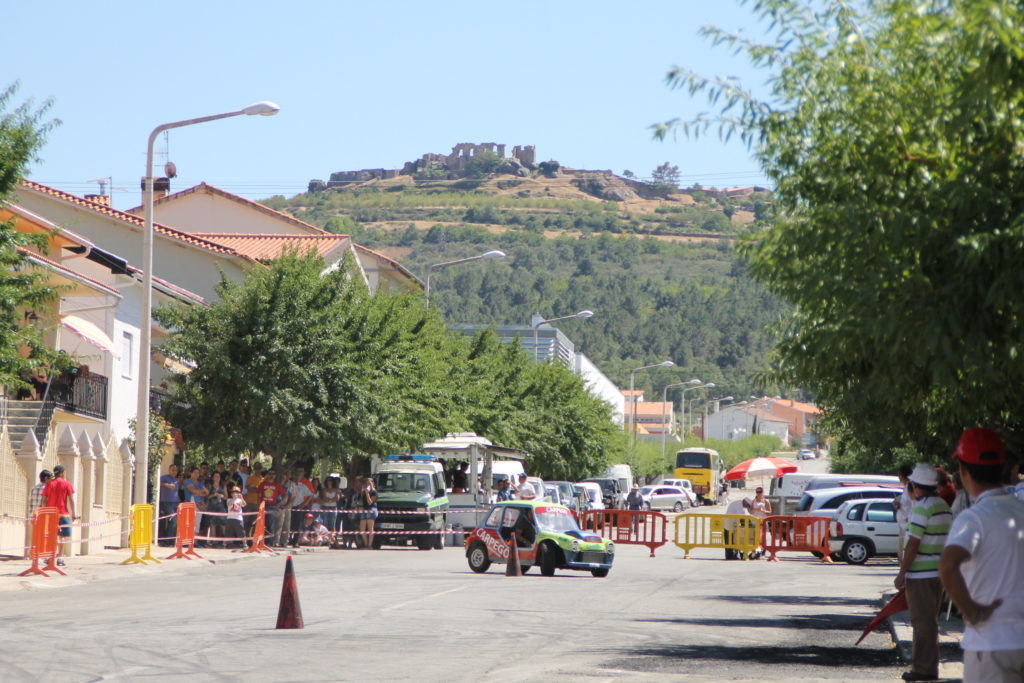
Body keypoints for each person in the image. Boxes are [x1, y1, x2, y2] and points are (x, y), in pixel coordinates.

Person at [939, 428, 1024, 683]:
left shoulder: (974, 517)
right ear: (1003, 466)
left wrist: (972, 612)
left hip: (992, 642)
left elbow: (948, 565)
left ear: (963, 471)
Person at [895, 463, 951, 682]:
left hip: (921, 575)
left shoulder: (921, 507)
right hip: (938, 573)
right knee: (930, 621)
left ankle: (923, 669)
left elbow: (913, 544)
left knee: (922, 623)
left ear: (915, 486)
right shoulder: (943, 505)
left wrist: (902, 573)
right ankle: (927, 666)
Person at [41, 464, 76, 566]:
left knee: (52, 536)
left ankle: (50, 557)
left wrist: (45, 511)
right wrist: (73, 513)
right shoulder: (67, 484)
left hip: (51, 514)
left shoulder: (49, 484)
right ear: (62, 473)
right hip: (63, 513)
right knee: (62, 537)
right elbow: (71, 500)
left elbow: (44, 500)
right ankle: (60, 557)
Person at [892, 464, 914, 564]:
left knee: (904, 555)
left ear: (902, 475)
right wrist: (898, 505)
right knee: (901, 554)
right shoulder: (906, 488)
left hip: (908, 526)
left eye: (899, 474)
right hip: (903, 525)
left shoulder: (911, 487)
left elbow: (913, 504)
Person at [182, 468, 208, 543]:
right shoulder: (187, 481)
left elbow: (206, 493)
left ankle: (194, 542)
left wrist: (197, 492)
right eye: (194, 472)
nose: (196, 474)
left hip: (199, 505)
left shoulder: (201, 482)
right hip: (189, 504)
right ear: (190, 473)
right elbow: (193, 490)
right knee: (188, 522)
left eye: (198, 473)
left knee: (197, 522)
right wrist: (201, 492)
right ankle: (186, 541)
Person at [158, 464, 180, 546]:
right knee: (173, 520)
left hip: (175, 502)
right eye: (172, 470)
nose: (174, 472)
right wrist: (166, 485)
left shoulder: (176, 480)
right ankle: (167, 540)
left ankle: (171, 540)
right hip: (166, 502)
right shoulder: (164, 477)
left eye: (176, 470)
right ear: (169, 470)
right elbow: (158, 482)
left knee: (176, 521)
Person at [206, 471, 229, 548]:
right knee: (213, 525)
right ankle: (214, 542)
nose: (217, 478)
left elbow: (226, 497)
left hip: (221, 507)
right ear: (213, 478)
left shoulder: (223, 486)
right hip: (212, 507)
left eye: (218, 476)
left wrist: (222, 496)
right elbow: (207, 497)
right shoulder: (210, 486)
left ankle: (226, 542)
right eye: (215, 476)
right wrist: (213, 495)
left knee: (223, 524)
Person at [359, 478, 378, 549]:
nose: (368, 485)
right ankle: (366, 544)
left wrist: (367, 493)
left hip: (371, 509)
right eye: (367, 483)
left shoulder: (374, 492)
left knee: (370, 528)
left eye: (369, 483)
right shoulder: (364, 492)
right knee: (362, 529)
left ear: (373, 483)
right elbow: (361, 502)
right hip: (364, 509)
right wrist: (363, 492)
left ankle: (370, 545)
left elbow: (370, 502)